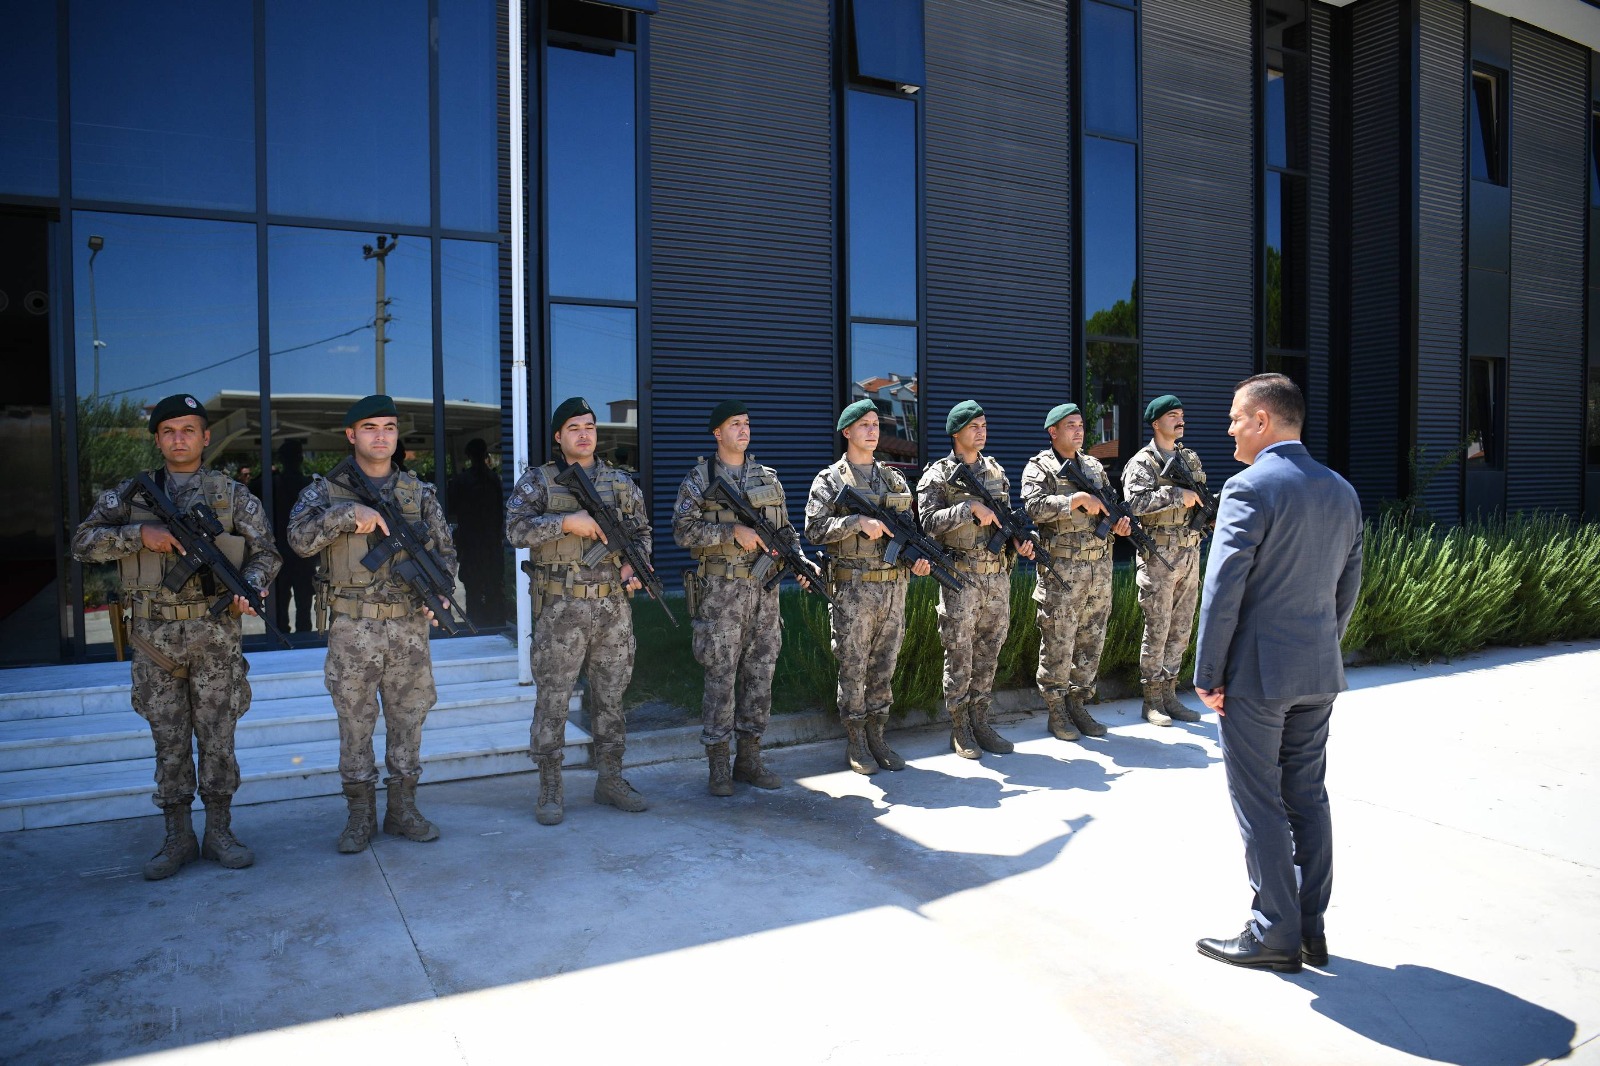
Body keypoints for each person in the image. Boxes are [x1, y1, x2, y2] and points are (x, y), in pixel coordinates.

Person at [1192, 374, 1363, 973]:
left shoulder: (1248, 487)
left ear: (1263, 420)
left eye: (1237, 417)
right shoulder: (1341, 490)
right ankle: (1310, 930)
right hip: (1318, 670)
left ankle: (1274, 934)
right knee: (1307, 798)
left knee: (1259, 801)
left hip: (1258, 679)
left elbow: (1222, 591)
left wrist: (1208, 673)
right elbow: (1348, 587)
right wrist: (1322, 645)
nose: (1230, 428)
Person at [70, 393, 280, 880]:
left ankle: (220, 831)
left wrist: (254, 586)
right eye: (169, 431)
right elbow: (82, 542)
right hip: (154, 642)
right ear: (158, 439)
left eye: (189, 429)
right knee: (168, 741)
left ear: (206, 438)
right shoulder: (131, 495)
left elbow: (266, 552)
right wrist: (137, 536)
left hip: (215, 638)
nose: (179, 438)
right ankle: (177, 836)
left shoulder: (232, 495)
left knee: (219, 739)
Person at [287, 395, 458, 854]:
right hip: (352, 629)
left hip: (407, 628)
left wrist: (441, 590)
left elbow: (446, 552)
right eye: (369, 427)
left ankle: (402, 810)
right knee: (356, 724)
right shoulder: (326, 491)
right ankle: (359, 815)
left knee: (409, 720)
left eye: (388, 427)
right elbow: (297, 539)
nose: (380, 436)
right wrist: (348, 515)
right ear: (351, 435)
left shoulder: (418, 494)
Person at [505, 397, 651, 824]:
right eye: (574, 427)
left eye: (589, 426)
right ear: (558, 437)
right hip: (560, 609)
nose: (585, 434)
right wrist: (566, 523)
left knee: (612, 696)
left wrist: (633, 563)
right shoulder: (538, 483)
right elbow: (514, 529)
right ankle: (551, 786)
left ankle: (611, 779)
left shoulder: (620, 483)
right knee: (553, 699)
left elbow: (641, 532)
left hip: (612, 608)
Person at [674, 400, 813, 795]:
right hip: (721, 594)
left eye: (747, 423)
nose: (744, 429)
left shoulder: (767, 477)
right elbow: (682, 531)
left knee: (761, 674)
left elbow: (785, 533)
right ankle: (718, 765)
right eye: (735, 424)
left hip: (765, 593)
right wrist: (729, 532)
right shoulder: (698, 480)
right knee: (720, 676)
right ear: (717, 432)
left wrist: (803, 565)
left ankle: (749, 759)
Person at [803, 400, 931, 774]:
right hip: (853, 592)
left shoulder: (893, 479)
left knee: (884, 666)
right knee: (854, 666)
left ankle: (878, 735)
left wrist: (917, 561)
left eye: (876, 424)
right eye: (864, 425)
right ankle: (856, 740)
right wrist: (855, 522)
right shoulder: (830, 480)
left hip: (893, 590)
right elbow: (813, 530)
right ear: (847, 432)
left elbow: (907, 533)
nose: (873, 430)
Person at [916, 400, 1035, 759]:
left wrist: (1020, 540)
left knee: (989, 652)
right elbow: (926, 524)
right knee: (960, 654)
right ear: (956, 433)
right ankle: (960, 727)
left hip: (997, 578)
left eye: (984, 425)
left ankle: (980, 720)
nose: (981, 431)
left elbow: (1005, 519)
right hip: (960, 577)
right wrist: (968, 509)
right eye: (974, 426)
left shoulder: (995, 471)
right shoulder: (937, 475)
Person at [1021, 403, 1130, 743]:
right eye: (1071, 425)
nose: (1079, 431)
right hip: (1062, 572)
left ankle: (1079, 702)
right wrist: (1074, 500)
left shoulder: (1095, 466)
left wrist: (1122, 523)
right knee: (1058, 640)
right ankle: (1056, 710)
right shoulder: (1041, 467)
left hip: (1098, 568)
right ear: (1053, 432)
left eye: (1081, 424)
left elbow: (1110, 506)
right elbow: (1031, 506)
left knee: (1091, 639)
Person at [1122, 394, 1208, 726]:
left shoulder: (1189, 458)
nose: (1180, 420)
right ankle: (1152, 700)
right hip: (1158, 556)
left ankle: (1171, 694)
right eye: (1173, 415)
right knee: (1157, 627)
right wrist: (1177, 495)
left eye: (1182, 415)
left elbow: (1199, 495)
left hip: (1189, 551)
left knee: (1181, 627)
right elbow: (1134, 503)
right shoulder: (1143, 462)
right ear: (1156, 423)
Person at [253, 439, 315, 634]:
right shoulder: (306, 484)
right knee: (301, 606)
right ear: (300, 458)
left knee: (282, 607)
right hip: (297, 555)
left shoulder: (272, 483)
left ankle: (281, 638)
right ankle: (297, 638)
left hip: (284, 554)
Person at [448, 437, 507, 627]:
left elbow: (451, 509)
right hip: (488, 542)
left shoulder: (463, 480)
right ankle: (494, 621)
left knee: (474, 587)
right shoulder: (493, 479)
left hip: (474, 542)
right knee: (492, 586)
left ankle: (477, 622)